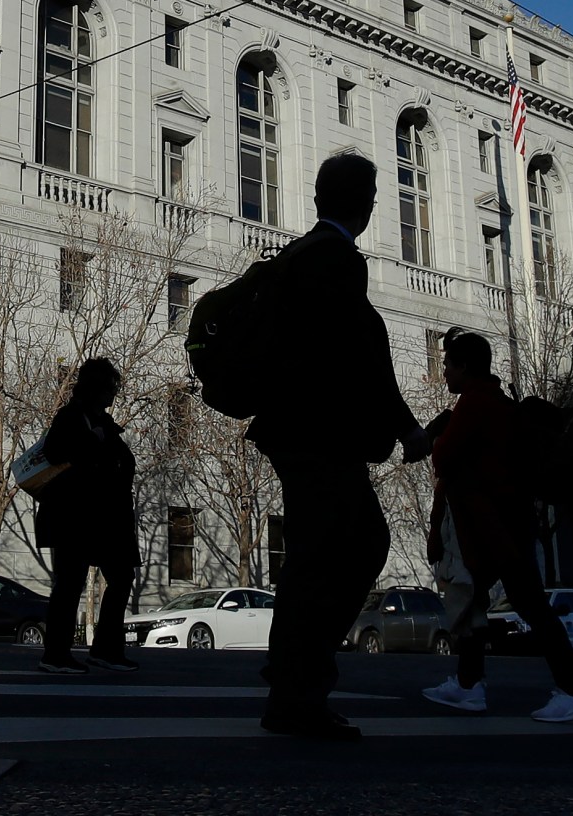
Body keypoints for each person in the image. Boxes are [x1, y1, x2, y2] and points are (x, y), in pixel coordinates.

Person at [249, 153, 429, 739]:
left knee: (313, 556)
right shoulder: (337, 260)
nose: (377, 202)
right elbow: (361, 354)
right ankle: (300, 683)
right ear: (362, 201)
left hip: (292, 430)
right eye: (374, 193)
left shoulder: (300, 254)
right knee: (355, 548)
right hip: (320, 434)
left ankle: (291, 679)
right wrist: (404, 428)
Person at [420, 329, 573, 722]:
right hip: (499, 523)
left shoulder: (476, 402)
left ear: (465, 367)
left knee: (528, 603)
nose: (444, 372)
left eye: (448, 364)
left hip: (495, 526)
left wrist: (439, 438)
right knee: (476, 599)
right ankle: (468, 685)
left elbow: (444, 458)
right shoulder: (496, 400)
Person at [33, 357, 139, 675]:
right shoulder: (72, 417)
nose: (113, 394)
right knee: (70, 583)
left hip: (105, 518)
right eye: (110, 387)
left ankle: (105, 650)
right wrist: (93, 441)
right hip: (76, 516)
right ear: (96, 387)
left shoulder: (100, 421)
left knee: (120, 577)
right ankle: (56, 653)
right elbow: (54, 452)